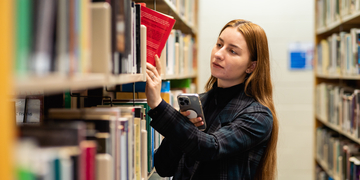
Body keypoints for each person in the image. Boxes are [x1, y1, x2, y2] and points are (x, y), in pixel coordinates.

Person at [145, 19, 279, 180]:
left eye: (232, 51)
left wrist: (158, 105)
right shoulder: (200, 102)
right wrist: (181, 127)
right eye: (219, 44)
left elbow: (210, 147)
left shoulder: (258, 115)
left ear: (251, 66)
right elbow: (163, 167)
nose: (218, 54)